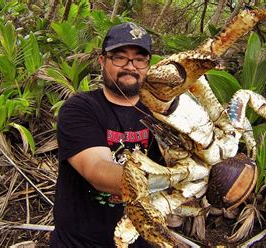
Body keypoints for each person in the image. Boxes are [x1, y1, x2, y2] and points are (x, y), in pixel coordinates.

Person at [50, 22, 163, 247]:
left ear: (148, 65)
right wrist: (175, 180)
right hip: (79, 243)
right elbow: (97, 170)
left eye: (140, 59)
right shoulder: (80, 108)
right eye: (120, 57)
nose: (130, 66)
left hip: (142, 240)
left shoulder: (162, 113)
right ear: (102, 61)